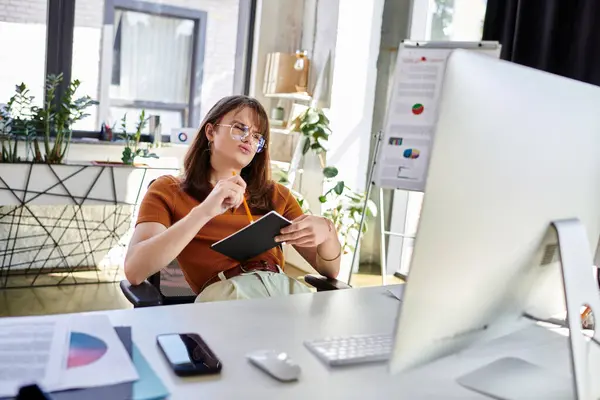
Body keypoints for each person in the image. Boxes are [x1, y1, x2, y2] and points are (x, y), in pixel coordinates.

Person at [124, 95, 342, 302]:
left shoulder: (277, 195)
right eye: (240, 128)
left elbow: (330, 271)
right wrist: (204, 211)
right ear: (211, 131)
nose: (249, 138)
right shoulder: (168, 190)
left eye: (257, 136)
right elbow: (135, 271)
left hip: (282, 290)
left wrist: (328, 233)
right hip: (225, 295)